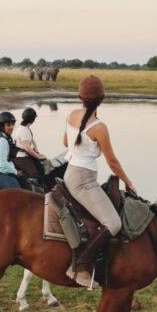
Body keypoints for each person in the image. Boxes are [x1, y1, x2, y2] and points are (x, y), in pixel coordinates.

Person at [62, 75, 136, 287]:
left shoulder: (71, 114)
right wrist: (129, 183)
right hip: (83, 180)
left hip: (70, 172)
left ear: (80, 97)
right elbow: (112, 161)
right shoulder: (100, 127)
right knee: (113, 223)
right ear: (102, 98)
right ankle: (80, 267)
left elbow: (66, 141)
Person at [0, 111, 23, 189]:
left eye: (13, 125)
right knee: (18, 193)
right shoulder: (2, 141)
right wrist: (16, 172)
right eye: (8, 125)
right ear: (1, 126)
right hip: (0, 173)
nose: (11, 127)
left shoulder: (0, 136)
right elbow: (3, 163)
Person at [13, 107, 48, 181]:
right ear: (33, 120)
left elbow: (32, 141)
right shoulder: (24, 131)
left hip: (26, 155)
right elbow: (27, 148)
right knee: (35, 175)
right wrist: (38, 156)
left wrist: (37, 153)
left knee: (41, 167)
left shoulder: (23, 128)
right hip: (22, 157)